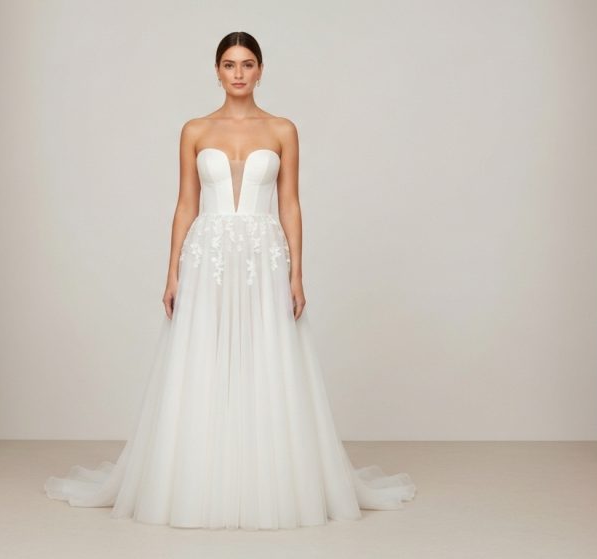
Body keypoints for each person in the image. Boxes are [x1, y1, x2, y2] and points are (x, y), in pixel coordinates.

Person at [45, 31, 415, 530]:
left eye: (247, 63)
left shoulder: (282, 129)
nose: (238, 73)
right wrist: (172, 270)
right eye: (228, 64)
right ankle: (199, 481)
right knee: (204, 356)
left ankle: (268, 482)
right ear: (216, 71)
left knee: (266, 357)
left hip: (264, 255)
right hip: (208, 256)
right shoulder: (195, 130)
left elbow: (290, 203)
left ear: (261, 70)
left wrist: (297, 272)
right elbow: (185, 203)